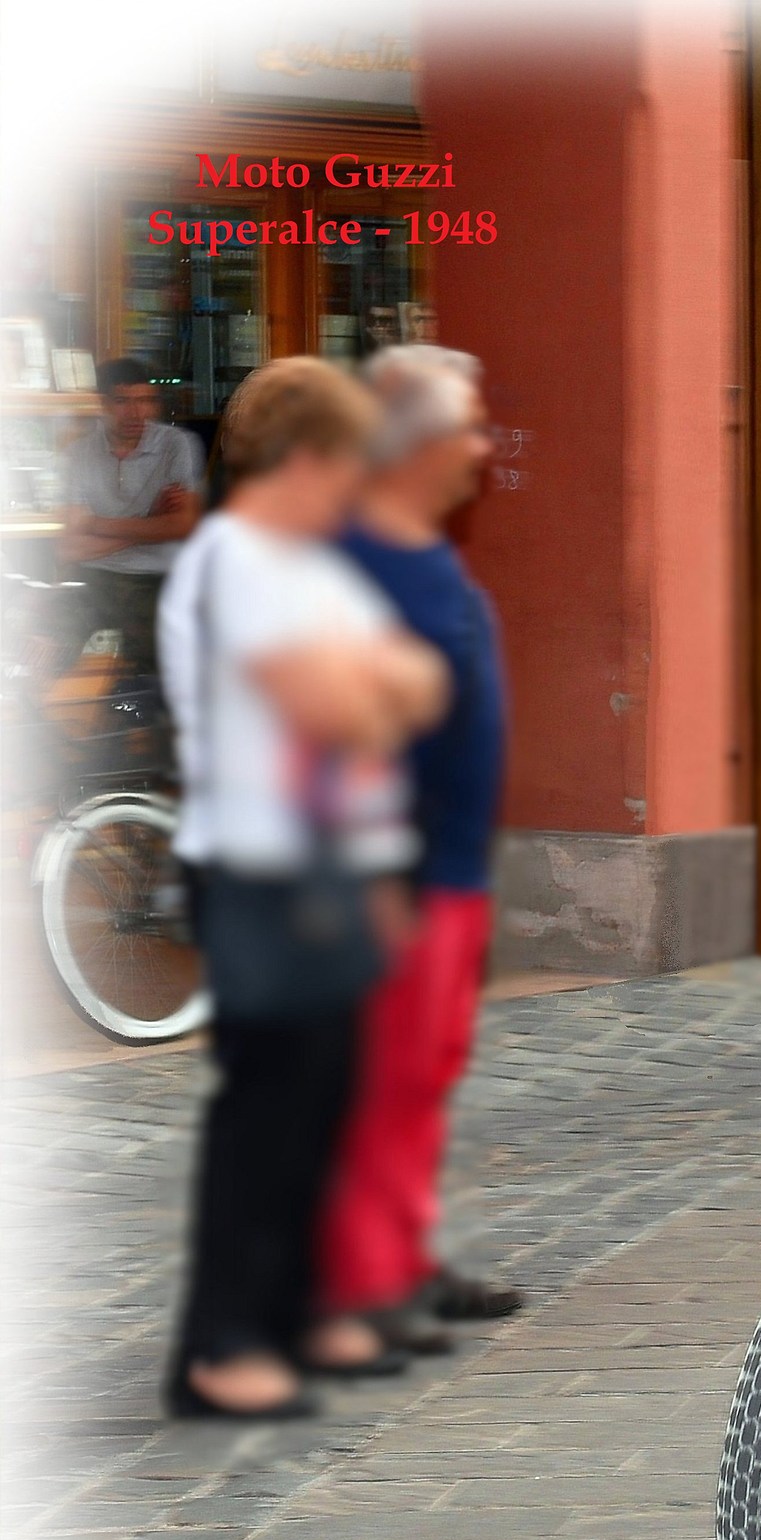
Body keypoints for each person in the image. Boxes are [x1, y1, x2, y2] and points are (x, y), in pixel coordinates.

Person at [157, 357, 450, 1419]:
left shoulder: (307, 569)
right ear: (306, 458)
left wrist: (370, 690)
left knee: (327, 1104)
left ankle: (296, 1308)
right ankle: (222, 1342)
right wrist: (368, 690)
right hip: (258, 869)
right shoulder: (235, 560)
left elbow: (422, 684)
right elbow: (342, 706)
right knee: (264, 1113)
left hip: (332, 865)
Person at [315, 345, 524, 1360]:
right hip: (389, 876)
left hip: (448, 872)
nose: (485, 447)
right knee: (375, 1082)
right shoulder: (351, 562)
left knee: (417, 1080)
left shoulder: (420, 550)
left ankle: (397, 1259)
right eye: (470, 428)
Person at [58, 358, 207, 687]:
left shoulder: (176, 445)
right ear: (103, 404)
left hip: (158, 578)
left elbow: (182, 526)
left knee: (161, 665)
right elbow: (70, 547)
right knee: (43, 637)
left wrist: (93, 524)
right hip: (92, 578)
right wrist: (151, 521)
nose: (137, 413)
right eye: (123, 401)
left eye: (145, 400)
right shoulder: (79, 452)